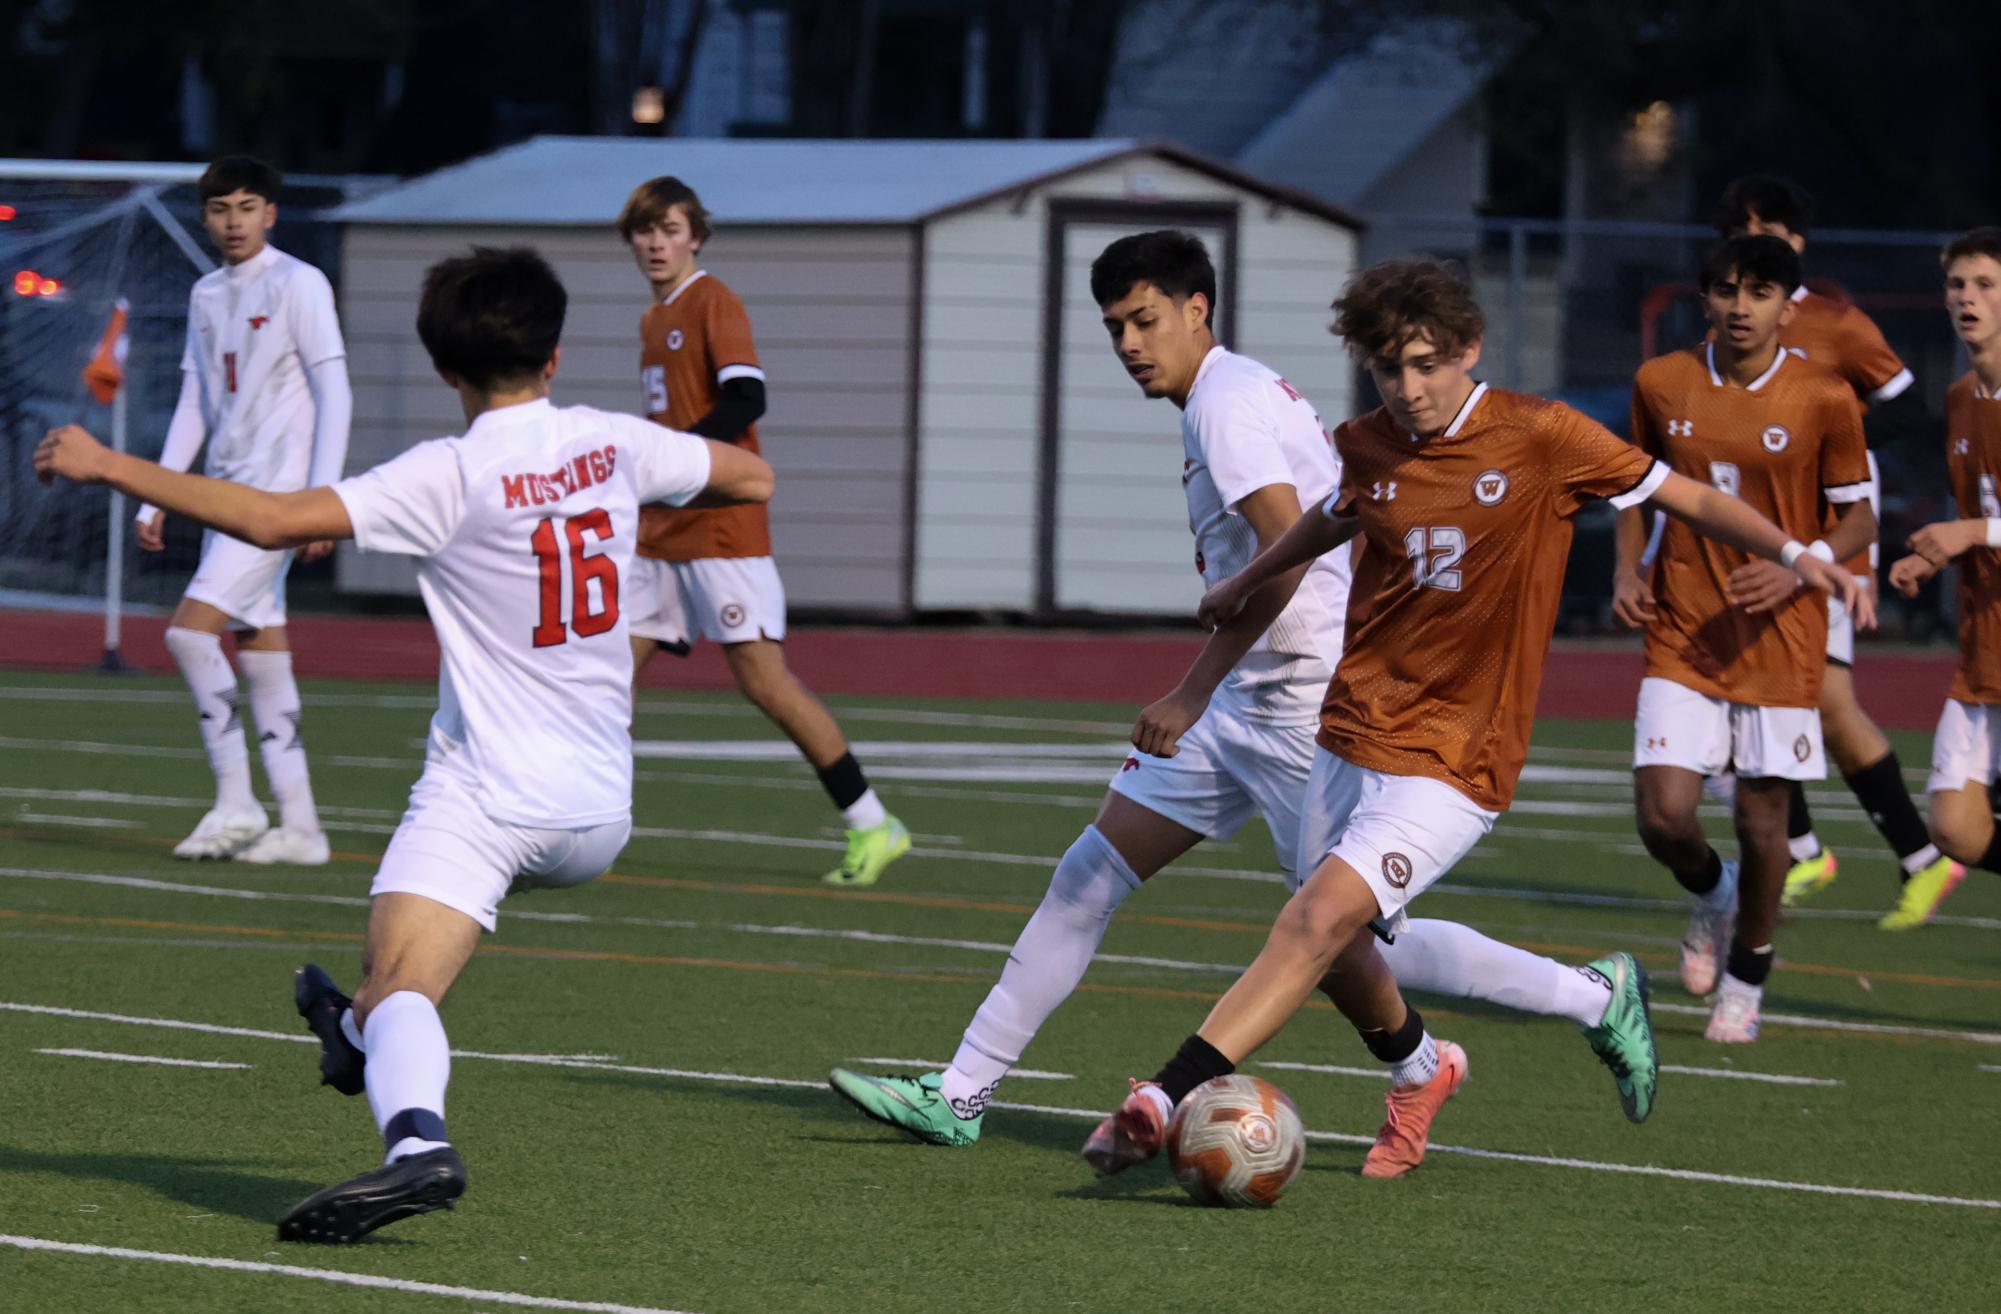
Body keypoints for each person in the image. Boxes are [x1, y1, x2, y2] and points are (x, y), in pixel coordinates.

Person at [827, 234, 1657, 1162]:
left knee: (1351, 940)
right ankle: (961, 1091)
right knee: (1092, 874)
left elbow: (1282, 561)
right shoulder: (1238, 391)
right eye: (1113, 328)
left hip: (1305, 707)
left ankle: (1577, 1001)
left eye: (1145, 320)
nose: (1130, 344)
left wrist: (1190, 691)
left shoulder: (1224, 408)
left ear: (1197, 311)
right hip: (1248, 704)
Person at [36, 246, 774, 1244]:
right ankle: (347, 1037)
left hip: (490, 795)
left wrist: (107, 464)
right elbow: (750, 474)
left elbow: (269, 516)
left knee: (403, 988)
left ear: (446, 371)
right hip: (601, 809)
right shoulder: (614, 439)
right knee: (379, 997)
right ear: (553, 358)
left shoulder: (449, 471)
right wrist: (618, 488)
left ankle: (414, 1136)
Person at [1081, 259, 1867, 1181]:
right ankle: (1553, 1012)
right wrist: (1247, 580)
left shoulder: (1541, 436)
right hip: (1349, 731)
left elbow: (1681, 494)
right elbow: (1333, 518)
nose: (1408, 389)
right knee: (1344, 948)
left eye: (1425, 365)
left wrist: (1796, 550)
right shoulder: (1368, 444)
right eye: (1388, 370)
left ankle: (1160, 1098)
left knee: (1318, 919)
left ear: (1468, 351)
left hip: (1458, 753)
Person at [1616, 235, 1876, 1043]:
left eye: (1758, 291)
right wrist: (1627, 571)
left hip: (1782, 638)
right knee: (1662, 817)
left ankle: (1747, 978)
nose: (1739, 305)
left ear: (1786, 304)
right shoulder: (1660, 383)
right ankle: (1711, 893)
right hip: (1682, 625)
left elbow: (1859, 514)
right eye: (1725, 289)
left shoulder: (1825, 396)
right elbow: (1630, 487)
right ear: (1704, 298)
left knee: (1767, 828)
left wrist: (1804, 569)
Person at [616, 176, 908, 887]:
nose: (657, 242)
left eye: (671, 228)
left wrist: (683, 459)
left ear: (697, 237)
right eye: (645, 230)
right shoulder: (653, 319)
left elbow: (748, 396)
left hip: (720, 528)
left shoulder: (713, 301)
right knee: (602, 675)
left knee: (765, 683)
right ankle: (568, 822)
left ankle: (874, 824)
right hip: (663, 530)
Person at [1690, 177, 1959, 928]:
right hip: (1754, 527)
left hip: (1828, 530)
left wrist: (1824, 447)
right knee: (1779, 694)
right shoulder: (1722, 326)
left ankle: (1862, 854)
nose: (1756, 237)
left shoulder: (1835, 323)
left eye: (1770, 226)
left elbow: (1905, 409)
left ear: (1799, 243)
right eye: (1739, 228)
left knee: (1812, 697)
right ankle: (1884, 855)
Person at [142, 155, 351, 865]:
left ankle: (236, 800)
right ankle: (301, 826)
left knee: (189, 634)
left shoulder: (300, 283)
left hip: (276, 501)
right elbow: (196, 400)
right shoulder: (206, 294)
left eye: (247, 207)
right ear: (205, 218)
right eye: (220, 209)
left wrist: (322, 498)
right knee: (261, 652)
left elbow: (335, 393)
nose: (234, 221)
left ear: (272, 213)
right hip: (225, 499)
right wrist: (161, 489)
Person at [1889, 227, 2001, 878]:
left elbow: (1978, 526)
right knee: (1954, 828)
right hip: (1982, 646)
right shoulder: (1961, 397)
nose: (1967, 298)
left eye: (1985, 285)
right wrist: (1938, 552)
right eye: (1956, 285)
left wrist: (1971, 535)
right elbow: (1975, 515)